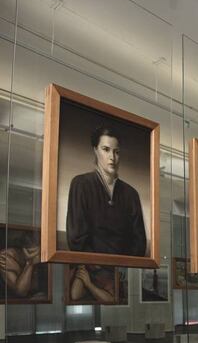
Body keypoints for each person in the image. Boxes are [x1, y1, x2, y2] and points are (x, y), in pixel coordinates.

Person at [66, 126, 147, 256]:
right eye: (106, 150)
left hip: (123, 273)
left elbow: (139, 244)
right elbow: (76, 240)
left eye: (116, 152)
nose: (112, 157)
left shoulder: (131, 194)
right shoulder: (81, 184)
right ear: (95, 151)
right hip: (90, 271)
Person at [0, 231, 47, 300]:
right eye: (30, 252)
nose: (33, 255)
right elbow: (21, 291)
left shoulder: (43, 257)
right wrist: (30, 263)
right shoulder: (6, 257)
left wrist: (17, 268)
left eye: (36, 253)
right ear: (23, 249)